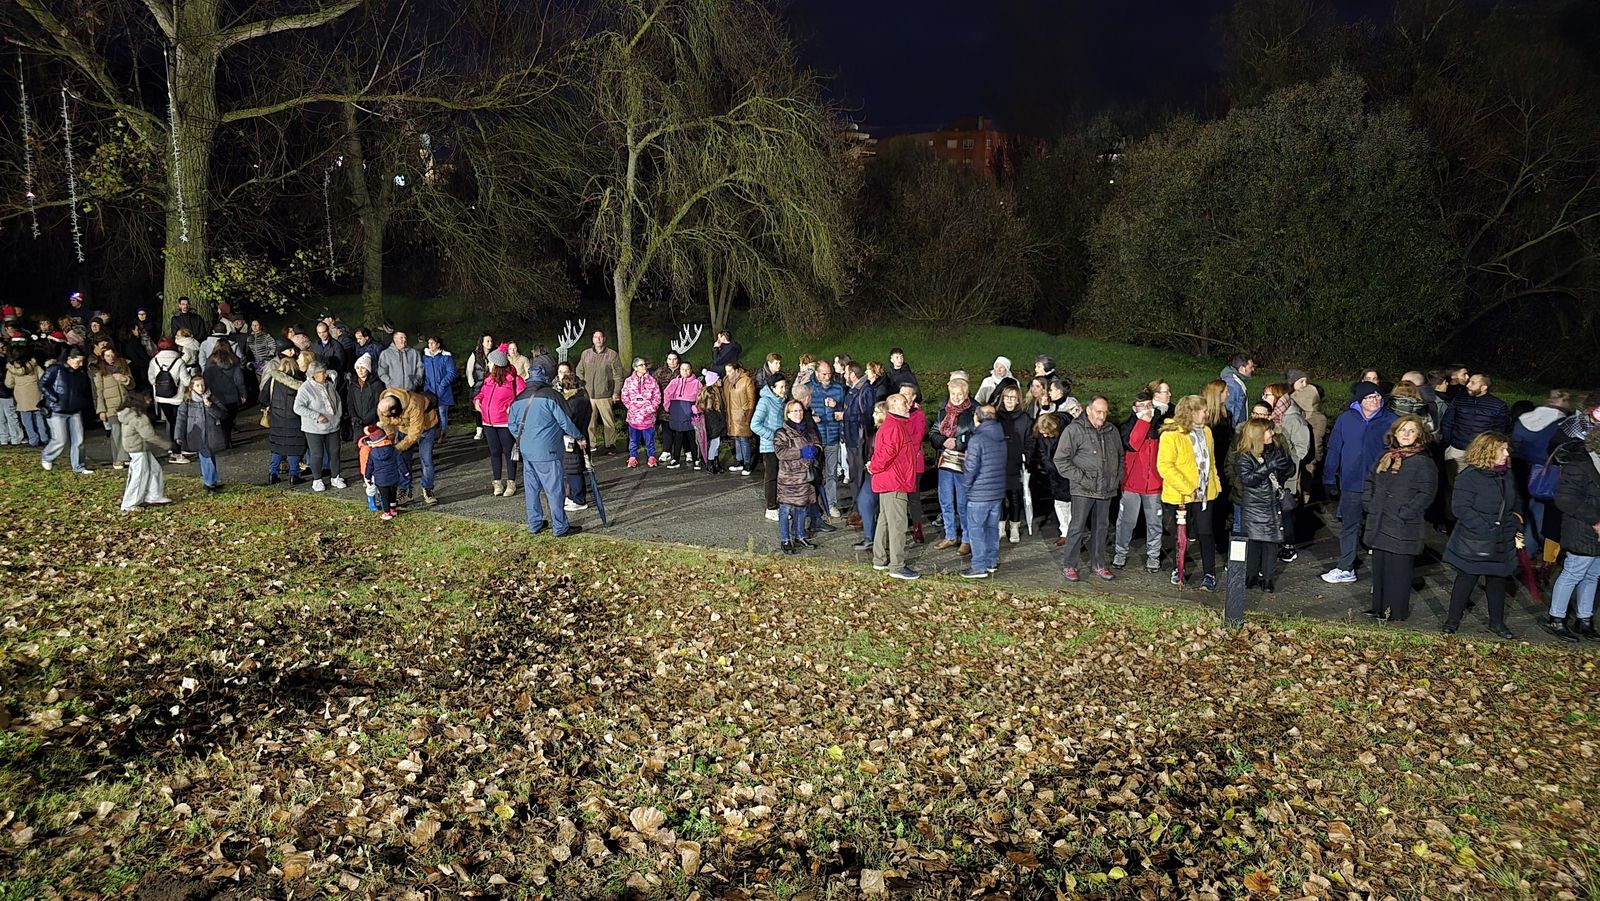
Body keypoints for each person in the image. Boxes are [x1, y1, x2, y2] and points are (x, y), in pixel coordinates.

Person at [1441, 432, 1522, 639]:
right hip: (1476, 538)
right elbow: (1460, 508)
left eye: (1506, 448)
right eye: (1502, 449)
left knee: (1497, 580)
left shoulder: (1507, 474)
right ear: (1487, 452)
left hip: (1502, 536)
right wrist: (1486, 527)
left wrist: (1516, 522)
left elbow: (1515, 501)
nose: (1506, 453)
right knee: (1466, 579)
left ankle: (1497, 623)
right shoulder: (1469, 477)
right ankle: (1452, 621)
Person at [1361, 416, 1439, 621]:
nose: (1405, 434)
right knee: (1380, 569)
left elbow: (1427, 493)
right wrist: (1369, 503)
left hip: (1403, 524)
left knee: (1399, 572)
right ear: (1394, 433)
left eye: (1411, 431)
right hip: (1380, 520)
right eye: (1402, 430)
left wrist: (1406, 511)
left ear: (1419, 435)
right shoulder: (1385, 456)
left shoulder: (1423, 462)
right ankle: (1378, 607)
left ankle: (1394, 612)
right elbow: (1370, 481)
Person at [1320, 383, 1397, 584]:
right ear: (1360, 400)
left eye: (1378, 396)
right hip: (1351, 483)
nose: (1376, 400)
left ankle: (1386, 571)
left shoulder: (1391, 421)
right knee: (1349, 526)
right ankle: (1346, 567)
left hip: (1380, 484)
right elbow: (1334, 449)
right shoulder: (1346, 419)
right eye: (1370, 397)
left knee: (1381, 527)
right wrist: (1329, 479)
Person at [507, 365, 586, 537]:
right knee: (554, 490)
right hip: (548, 451)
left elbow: (512, 426)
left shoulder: (518, 398)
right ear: (545, 378)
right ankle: (560, 527)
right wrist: (579, 437)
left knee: (532, 489)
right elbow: (565, 422)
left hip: (527, 451)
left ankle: (534, 523)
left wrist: (526, 439)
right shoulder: (551, 396)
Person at [1055, 396, 1124, 582]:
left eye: (1105, 412)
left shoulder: (1112, 431)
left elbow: (1120, 456)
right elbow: (1061, 460)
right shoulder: (1074, 430)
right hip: (1083, 489)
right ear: (1088, 410)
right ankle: (1069, 565)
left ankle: (1099, 564)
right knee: (1077, 527)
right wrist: (1082, 478)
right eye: (1098, 412)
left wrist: (1116, 478)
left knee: (1101, 528)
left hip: (1106, 488)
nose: (1102, 416)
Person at [1159, 394, 1220, 590]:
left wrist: (1215, 485)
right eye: (1203, 411)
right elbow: (1165, 466)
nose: (1207, 414)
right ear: (1192, 412)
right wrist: (1187, 487)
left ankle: (1209, 573)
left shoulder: (1208, 432)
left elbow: (1211, 462)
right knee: (1180, 535)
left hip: (1204, 494)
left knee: (1205, 533)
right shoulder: (1171, 434)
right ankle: (1179, 568)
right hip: (1181, 495)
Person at [1544, 427, 1600, 641]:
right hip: (1582, 528)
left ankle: (1584, 619)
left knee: (1593, 574)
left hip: (1594, 529)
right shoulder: (1579, 464)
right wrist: (1595, 520)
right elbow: (1565, 499)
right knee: (1574, 572)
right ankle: (1556, 618)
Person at [1231, 419, 1296, 593]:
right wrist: (1269, 466)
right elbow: (1248, 479)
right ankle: (1251, 575)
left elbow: (1289, 469)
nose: (1272, 434)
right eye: (1268, 431)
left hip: (1272, 504)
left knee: (1271, 543)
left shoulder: (1275, 449)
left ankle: (1268, 579)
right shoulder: (1245, 455)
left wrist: (1287, 466)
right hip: (1254, 505)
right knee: (1254, 542)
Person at [1440, 372, 1510, 517]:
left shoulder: (1498, 406)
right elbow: (1448, 423)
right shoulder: (1459, 400)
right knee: (1453, 487)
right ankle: (1450, 518)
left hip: (1482, 454)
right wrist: (1448, 443)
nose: (1468, 385)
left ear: (1484, 387)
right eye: (1469, 382)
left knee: (1477, 488)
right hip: (1457, 449)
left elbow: (1500, 432)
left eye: (1473, 382)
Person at [1512, 389, 1573, 550]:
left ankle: (1512, 547)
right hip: (1543, 476)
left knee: (1518, 511)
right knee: (1538, 515)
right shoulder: (1562, 425)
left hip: (1518, 470)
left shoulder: (1525, 418)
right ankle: (1526, 552)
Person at [869, 393, 920, 580]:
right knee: (897, 524)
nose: (908, 405)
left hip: (889, 481)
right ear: (893, 407)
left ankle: (880, 559)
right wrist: (874, 467)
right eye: (904, 403)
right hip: (895, 482)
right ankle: (897, 565)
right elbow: (885, 454)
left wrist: (874, 468)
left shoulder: (892, 425)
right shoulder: (895, 427)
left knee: (884, 521)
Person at [1115, 388, 1164, 572]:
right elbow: (1133, 443)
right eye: (1142, 406)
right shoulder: (1128, 426)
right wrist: (1143, 422)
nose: (1147, 410)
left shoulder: (1159, 426)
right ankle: (1120, 553)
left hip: (1154, 485)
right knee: (1126, 521)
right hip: (1132, 484)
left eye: (1149, 406)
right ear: (1134, 408)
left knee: (1154, 523)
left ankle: (1153, 556)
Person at [1262, 381, 1312, 561]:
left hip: (1287, 474)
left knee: (1286, 509)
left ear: (1277, 397)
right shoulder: (1275, 416)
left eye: (1267, 395)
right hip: (1273, 473)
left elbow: (1302, 448)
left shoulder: (1293, 419)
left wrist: (1287, 462)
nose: (1264, 398)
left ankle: (1289, 545)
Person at [931, 372, 978, 554]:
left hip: (963, 463)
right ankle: (950, 535)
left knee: (963, 502)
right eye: (953, 394)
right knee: (945, 500)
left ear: (966, 394)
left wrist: (957, 443)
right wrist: (943, 441)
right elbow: (933, 432)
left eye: (960, 394)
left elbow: (974, 435)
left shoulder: (973, 412)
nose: (956, 398)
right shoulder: (943, 411)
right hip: (944, 461)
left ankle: (967, 538)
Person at [471, 349, 526, 496]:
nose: (488, 364)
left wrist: (512, 407)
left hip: (504, 423)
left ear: (497, 365)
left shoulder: (514, 380)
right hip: (488, 422)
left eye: (490, 362)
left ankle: (511, 482)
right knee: (494, 452)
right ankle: (497, 482)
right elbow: (482, 393)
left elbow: (523, 397)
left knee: (508, 452)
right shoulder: (488, 380)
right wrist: (477, 400)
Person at [961, 405, 1007, 577]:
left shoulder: (977, 439)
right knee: (992, 529)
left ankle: (978, 566)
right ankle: (991, 561)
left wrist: (966, 486)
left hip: (979, 493)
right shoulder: (1000, 436)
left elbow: (971, 468)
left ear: (976, 418)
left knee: (976, 531)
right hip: (996, 492)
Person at [377, 384, 442, 505]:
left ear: (394, 410)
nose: (382, 414)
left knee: (426, 460)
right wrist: (389, 442)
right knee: (403, 461)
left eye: (386, 413)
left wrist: (398, 447)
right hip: (404, 429)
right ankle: (405, 490)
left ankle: (427, 489)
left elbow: (414, 433)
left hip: (426, 428)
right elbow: (387, 425)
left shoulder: (414, 403)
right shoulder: (383, 406)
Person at [773, 399, 821, 553]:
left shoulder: (809, 430)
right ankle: (785, 540)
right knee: (786, 509)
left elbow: (818, 444)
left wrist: (815, 451)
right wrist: (800, 452)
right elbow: (781, 453)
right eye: (794, 411)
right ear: (788, 413)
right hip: (789, 478)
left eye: (800, 410)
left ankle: (800, 536)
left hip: (805, 477)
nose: (798, 414)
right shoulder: (782, 432)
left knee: (802, 507)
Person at [39, 347, 94, 474]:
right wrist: (53, 398)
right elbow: (43, 384)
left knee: (79, 440)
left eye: (81, 362)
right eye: (78, 361)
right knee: (60, 439)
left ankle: (78, 466)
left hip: (75, 410)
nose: (80, 364)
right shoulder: (55, 369)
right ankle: (47, 457)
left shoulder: (80, 373)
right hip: (57, 410)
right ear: (69, 359)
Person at [294, 360, 346, 491]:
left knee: (334, 452)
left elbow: (338, 401)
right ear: (314, 375)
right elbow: (298, 407)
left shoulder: (329, 385)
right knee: (317, 454)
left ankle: (335, 477)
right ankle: (317, 479)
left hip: (333, 426)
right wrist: (316, 416)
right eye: (322, 373)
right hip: (314, 428)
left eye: (325, 372)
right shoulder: (305, 388)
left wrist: (338, 416)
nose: (325, 375)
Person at [116, 393, 171, 512]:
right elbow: (149, 436)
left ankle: (154, 495)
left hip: (137, 447)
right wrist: (168, 445)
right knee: (139, 476)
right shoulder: (139, 417)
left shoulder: (128, 413)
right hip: (137, 449)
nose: (150, 401)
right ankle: (129, 504)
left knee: (154, 469)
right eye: (147, 399)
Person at [175, 375, 229, 491]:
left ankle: (211, 481)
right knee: (206, 457)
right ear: (192, 387)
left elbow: (223, 414)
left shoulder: (212, 398)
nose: (201, 388)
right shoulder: (188, 401)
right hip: (197, 434)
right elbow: (181, 419)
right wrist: (179, 435)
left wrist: (210, 406)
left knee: (210, 456)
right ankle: (209, 483)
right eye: (198, 385)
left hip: (211, 433)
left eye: (203, 385)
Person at [264, 347, 308, 485]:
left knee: (278, 447)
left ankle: (273, 473)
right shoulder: (300, 382)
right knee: (294, 447)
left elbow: (263, 397)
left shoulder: (273, 379)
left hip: (277, 419)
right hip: (295, 419)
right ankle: (294, 475)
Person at [994, 386, 1031, 542]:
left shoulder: (1024, 418)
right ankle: (1000, 526)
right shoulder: (996, 416)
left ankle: (1014, 526)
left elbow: (1030, 440)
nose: (1009, 400)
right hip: (998, 461)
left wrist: (1026, 456)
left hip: (1015, 462)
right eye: (1007, 397)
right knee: (1000, 496)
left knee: (1015, 496)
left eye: (1013, 397)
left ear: (1018, 400)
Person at [809, 361, 847, 516]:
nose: (827, 377)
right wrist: (811, 418)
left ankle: (831, 504)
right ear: (817, 373)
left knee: (831, 473)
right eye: (824, 374)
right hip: (815, 438)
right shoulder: (809, 388)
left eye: (829, 374)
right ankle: (813, 505)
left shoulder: (838, 388)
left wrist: (837, 406)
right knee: (813, 472)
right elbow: (800, 410)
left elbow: (846, 408)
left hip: (832, 436)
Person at [576, 330, 623, 453]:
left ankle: (610, 444)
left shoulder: (612, 355)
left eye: (600, 337)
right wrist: (581, 386)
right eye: (596, 337)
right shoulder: (586, 354)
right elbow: (579, 371)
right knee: (589, 421)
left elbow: (618, 375)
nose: (598, 339)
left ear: (604, 339)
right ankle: (591, 444)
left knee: (608, 422)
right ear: (592, 339)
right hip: (588, 394)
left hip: (605, 394)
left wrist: (616, 392)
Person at [852, 402, 889, 553]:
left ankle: (873, 539)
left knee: (870, 504)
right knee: (866, 503)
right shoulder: (877, 431)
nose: (873, 415)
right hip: (871, 471)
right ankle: (870, 537)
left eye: (877, 412)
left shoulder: (885, 432)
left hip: (879, 473)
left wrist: (873, 464)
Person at [90, 345, 135, 470]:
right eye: (107, 356)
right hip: (111, 406)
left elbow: (132, 384)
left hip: (125, 405)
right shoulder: (100, 370)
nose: (111, 358)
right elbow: (98, 391)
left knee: (126, 432)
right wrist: (101, 410)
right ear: (103, 357)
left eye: (112, 355)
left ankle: (125, 457)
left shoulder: (123, 366)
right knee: (116, 431)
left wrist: (125, 379)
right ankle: (118, 459)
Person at [148, 338, 192, 462]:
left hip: (161, 397)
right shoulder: (179, 361)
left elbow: (151, 379)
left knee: (171, 422)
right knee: (178, 423)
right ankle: (177, 450)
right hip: (177, 397)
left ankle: (173, 448)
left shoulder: (154, 361)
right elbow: (186, 380)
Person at [1032, 413, 1073, 546]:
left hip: (1069, 472)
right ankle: (1064, 531)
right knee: (1060, 503)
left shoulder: (1068, 431)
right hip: (1053, 473)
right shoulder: (1042, 436)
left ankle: (1072, 533)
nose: (1044, 436)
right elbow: (1043, 451)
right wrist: (1048, 466)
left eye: (1047, 433)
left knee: (1072, 503)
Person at [752, 372, 789, 521]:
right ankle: (771, 507)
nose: (783, 390)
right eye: (780, 387)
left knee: (782, 477)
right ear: (772, 388)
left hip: (783, 446)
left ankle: (781, 505)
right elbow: (755, 425)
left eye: (785, 386)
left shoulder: (782, 400)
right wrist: (774, 437)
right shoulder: (765, 402)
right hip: (770, 447)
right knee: (771, 477)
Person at [559, 374, 594, 511]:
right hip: (581, 435)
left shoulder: (573, 402)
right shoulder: (583, 398)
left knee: (573, 469)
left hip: (572, 439)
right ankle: (574, 496)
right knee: (575, 468)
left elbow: (569, 422)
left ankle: (578, 499)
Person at [619, 357, 662, 469]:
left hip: (648, 417)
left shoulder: (652, 380)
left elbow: (657, 396)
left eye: (644, 365)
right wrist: (632, 407)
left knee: (650, 439)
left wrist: (651, 408)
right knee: (633, 439)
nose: (644, 367)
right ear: (635, 368)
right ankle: (633, 457)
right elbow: (624, 395)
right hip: (634, 417)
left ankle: (651, 456)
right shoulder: (629, 381)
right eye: (641, 365)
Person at [202, 341, 246, 442]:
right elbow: (239, 380)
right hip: (232, 394)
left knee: (221, 416)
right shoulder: (234, 360)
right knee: (230, 417)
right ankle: (228, 437)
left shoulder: (210, 361)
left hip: (216, 395)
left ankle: (225, 438)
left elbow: (207, 377)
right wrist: (243, 393)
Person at [662, 361, 703, 469]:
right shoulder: (674, 382)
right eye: (682, 369)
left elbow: (701, 398)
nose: (685, 371)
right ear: (679, 370)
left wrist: (696, 408)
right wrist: (667, 406)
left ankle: (696, 459)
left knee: (691, 436)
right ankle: (676, 459)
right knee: (678, 436)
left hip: (689, 411)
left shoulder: (696, 383)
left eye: (687, 369)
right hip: (676, 410)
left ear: (691, 370)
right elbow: (666, 393)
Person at [361, 425, 404, 520]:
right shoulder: (393, 450)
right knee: (393, 495)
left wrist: (367, 477)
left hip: (381, 480)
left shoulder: (372, 453)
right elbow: (400, 462)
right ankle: (393, 509)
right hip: (393, 478)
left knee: (384, 497)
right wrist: (405, 473)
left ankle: (387, 512)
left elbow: (369, 466)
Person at [6, 349, 46, 447]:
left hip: (21, 398)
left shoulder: (12, 369)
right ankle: (44, 437)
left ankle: (33, 440)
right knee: (40, 419)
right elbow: (43, 377)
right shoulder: (34, 366)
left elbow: (9, 384)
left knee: (27, 422)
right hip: (36, 396)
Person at [723, 362, 757, 475]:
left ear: (737, 370)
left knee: (744, 439)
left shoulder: (747, 380)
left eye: (730, 371)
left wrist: (748, 416)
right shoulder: (727, 381)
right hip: (732, 415)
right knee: (736, 439)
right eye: (726, 371)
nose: (727, 374)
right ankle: (739, 461)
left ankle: (747, 463)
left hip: (742, 415)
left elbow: (751, 400)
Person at [422, 336, 456, 441]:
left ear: (438, 344)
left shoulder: (446, 357)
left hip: (443, 390)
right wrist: (426, 386)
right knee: (430, 412)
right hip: (430, 390)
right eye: (429, 343)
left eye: (432, 343)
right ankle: (432, 434)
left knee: (442, 412)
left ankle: (443, 433)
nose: (430, 345)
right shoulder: (425, 358)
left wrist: (442, 384)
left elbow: (451, 372)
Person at [465, 334, 494, 440]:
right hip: (478, 385)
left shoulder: (494, 355)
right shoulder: (475, 354)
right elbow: (469, 369)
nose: (490, 343)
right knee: (477, 407)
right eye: (488, 341)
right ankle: (479, 429)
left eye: (491, 341)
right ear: (482, 342)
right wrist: (472, 383)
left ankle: (489, 428)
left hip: (490, 385)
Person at [1219, 354, 1256, 427]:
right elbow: (1230, 410)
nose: (1253, 370)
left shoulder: (1235, 381)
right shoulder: (1232, 384)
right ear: (1242, 369)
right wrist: (1233, 430)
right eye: (1251, 367)